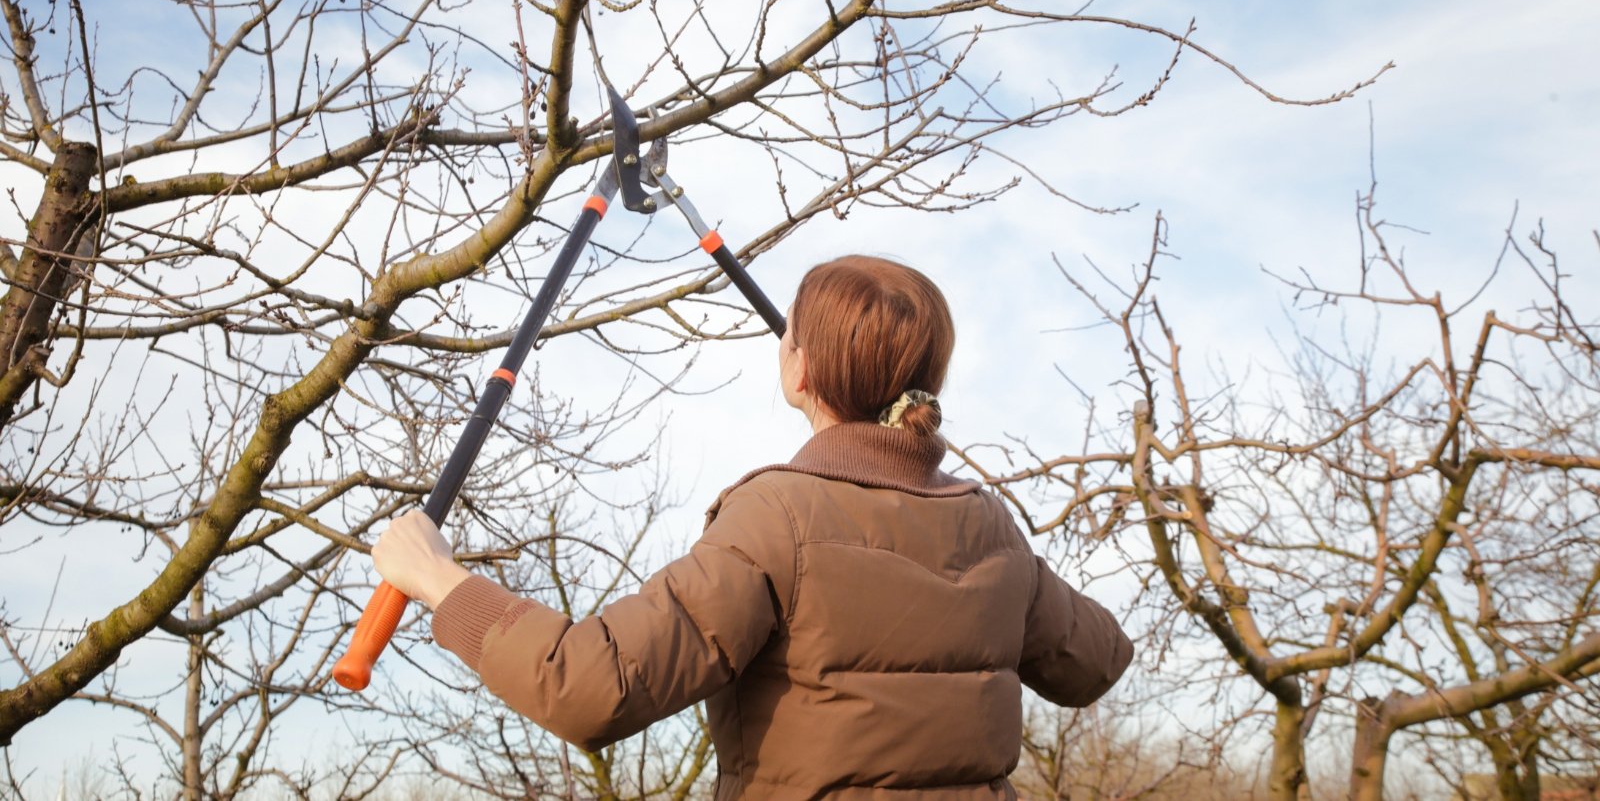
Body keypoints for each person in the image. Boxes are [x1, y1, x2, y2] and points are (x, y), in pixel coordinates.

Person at [373, 254, 1134, 799]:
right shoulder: (992, 528)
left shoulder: (779, 519)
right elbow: (1099, 661)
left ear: (797, 371)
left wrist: (442, 582)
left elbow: (592, 687)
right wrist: (973, 518)